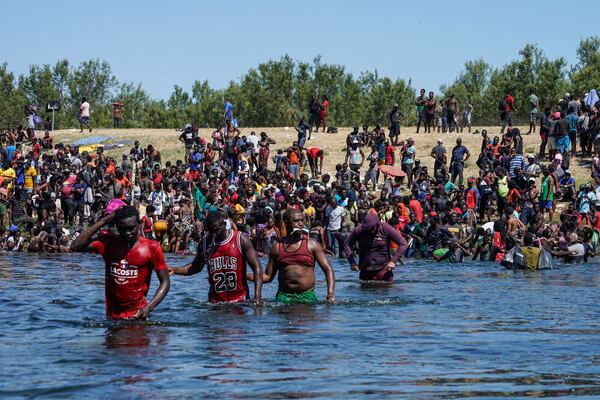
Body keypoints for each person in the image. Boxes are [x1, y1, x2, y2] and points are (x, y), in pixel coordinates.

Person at [70, 205, 170, 319]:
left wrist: (149, 307)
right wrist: (104, 220)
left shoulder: (151, 247)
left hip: (138, 316)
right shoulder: (108, 243)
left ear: (138, 225)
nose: (127, 233)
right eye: (123, 229)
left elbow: (165, 281)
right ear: (117, 226)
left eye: (131, 228)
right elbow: (75, 246)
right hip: (112, 317)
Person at [170, 211, 263, 303]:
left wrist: (257, 297)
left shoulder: (240, 239)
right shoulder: (205, 243)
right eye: (211, 231)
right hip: (215, 303)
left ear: (224, 224)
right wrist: (174, 270)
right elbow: (195, 267)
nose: (214, 234)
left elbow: (257, 267)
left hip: (240, 301)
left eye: (217, 230)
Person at [262, 209, 335, 304]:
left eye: (302, 220)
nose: (300, 224)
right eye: (296, 221)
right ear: (286, 223)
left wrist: (330, 294)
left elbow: (328, 269)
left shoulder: (312, 245)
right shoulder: (277, 247)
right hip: (283, 296)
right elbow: (267, 277)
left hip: (307, 296)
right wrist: (242, 275)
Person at [344, 212, 408, 282]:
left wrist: (393, 261)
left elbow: (403, 244)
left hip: (384, 272)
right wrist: (352, 262)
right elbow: (346, 244)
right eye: (367, 229)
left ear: (378, 224)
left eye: (372, 229)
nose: (370, 231)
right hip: (365, 273)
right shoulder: (359, 230)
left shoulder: (385, 228)